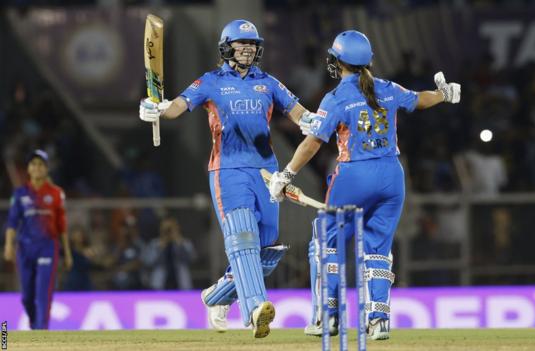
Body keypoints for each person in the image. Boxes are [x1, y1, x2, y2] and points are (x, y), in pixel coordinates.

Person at [269, 30, 460, 340]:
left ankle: (327, 318)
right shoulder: (387, 88)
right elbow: (419, 99)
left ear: (337, 61)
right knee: (378, 250)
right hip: (392, 176)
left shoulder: (336, 98)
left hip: (354, 176)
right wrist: (445, 94)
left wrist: (286, 175)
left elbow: (313, 142)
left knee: (325, 244)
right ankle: (379, 320)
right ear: (369, 60)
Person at [139, 19, 312, 338]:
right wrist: (157, 109)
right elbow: (177, 106)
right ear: (226, 47)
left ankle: (217, 297)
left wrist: (314, 121)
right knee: (242, 238)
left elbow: (299, 112)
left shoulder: (268, 82)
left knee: (267, 249)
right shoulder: (210, 81)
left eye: (252, 44)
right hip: (228, 170)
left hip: (266, 171)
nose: (247, 49)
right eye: (241, 44)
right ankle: (257, 308)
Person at [3, 150, 73, 329]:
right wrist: (8, 245)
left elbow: (62, 226)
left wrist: (67, 253)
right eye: (33, 164)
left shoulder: (56, 193)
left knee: (43, 293)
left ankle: (42, 332)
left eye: (41, 164)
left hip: (48, 246)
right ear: (28, 169)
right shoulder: (20, 193)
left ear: (47, 169)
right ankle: (35, 325)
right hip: (25, 248)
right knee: (27, 296)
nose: (37, 168)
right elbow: (12, 222)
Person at [143, 217, 196, 290]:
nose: (168, 232)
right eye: (166, 229)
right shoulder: (154, 244)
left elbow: (192, 259)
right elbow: (148, 261)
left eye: (171, 229)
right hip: (159, 283)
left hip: (181, 283)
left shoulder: (184, 243)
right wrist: (160, 247)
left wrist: (180, 244)